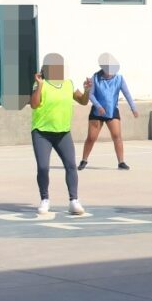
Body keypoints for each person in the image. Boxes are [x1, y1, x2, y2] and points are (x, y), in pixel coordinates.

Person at [30, 53, 91, 215]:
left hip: (63, 133)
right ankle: (45, 199)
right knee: (43, 167)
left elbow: (83, 101)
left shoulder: (68, 84)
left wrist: (87, 90)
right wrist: (39, 85)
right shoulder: (40, 84)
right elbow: (34, 104)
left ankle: (74, 201)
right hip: (42, 132)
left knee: (71, 165)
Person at [80, 53, 138, 171]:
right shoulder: (95, 77)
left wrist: (133, 108)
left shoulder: (119, 79)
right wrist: (98, 106)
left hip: (112, 111)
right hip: (97, 112)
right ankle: (84, 160)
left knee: (117, 136)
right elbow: (91, 94)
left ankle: (121, 162)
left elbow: (127, 94)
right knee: (91, 137)